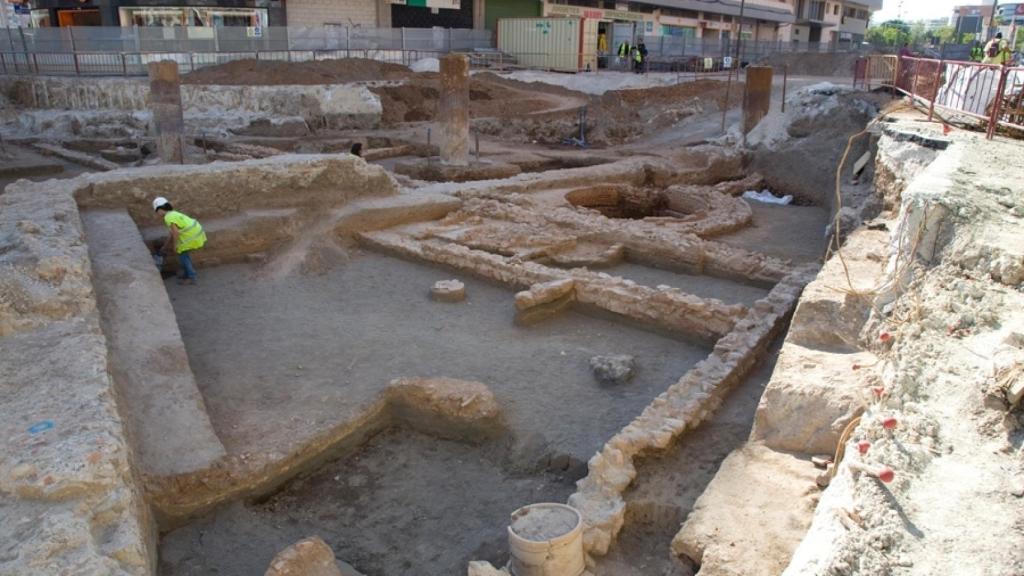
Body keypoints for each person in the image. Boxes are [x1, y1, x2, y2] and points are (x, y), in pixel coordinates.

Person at [153, 197, 206, 285]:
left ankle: (191, 277)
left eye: (156, 211)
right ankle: (186, 274)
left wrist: (175, 246)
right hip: (196, 233)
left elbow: (175, 233)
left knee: (184, 258)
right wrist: (164, 247)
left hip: (191, 237)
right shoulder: (173, 214)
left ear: (160, 209)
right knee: (184, 256)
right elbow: (171, 233)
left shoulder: (168, 217)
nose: (157, 214)